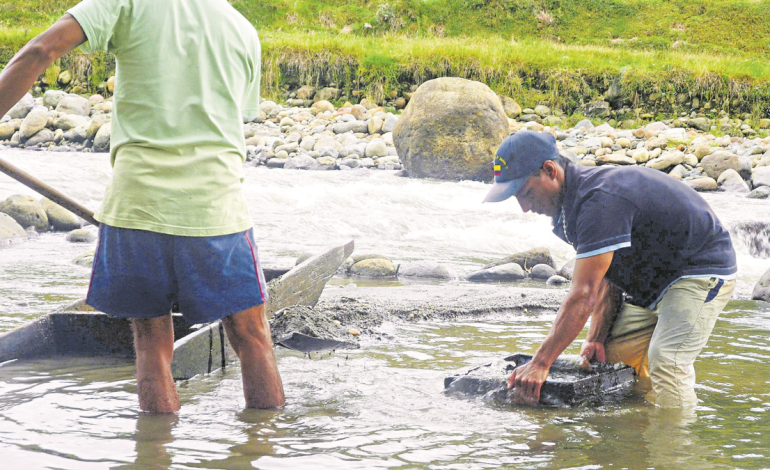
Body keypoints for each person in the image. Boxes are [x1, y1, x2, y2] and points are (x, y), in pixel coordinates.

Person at [0, 0, 284, 412]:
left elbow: (42, 50)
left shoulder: (123, 3)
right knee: (252, 336)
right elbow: (232, 115)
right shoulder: (241, 28)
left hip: (137, 207)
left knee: (152, 344)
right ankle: (262, 444)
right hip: (214, 207)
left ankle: (153, 452)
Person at [484, 130, 736, 408]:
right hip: (654, 283)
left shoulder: (598, 200)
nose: (523, 207)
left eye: (526, 192)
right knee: (613, 360)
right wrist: (596, 338)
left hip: (700, 269)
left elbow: (583, 295)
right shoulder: (568, 208)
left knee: (667, 360)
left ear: (549, 170)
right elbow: (606, 274)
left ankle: (675, 447)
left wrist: (540, 363)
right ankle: (638, 431)